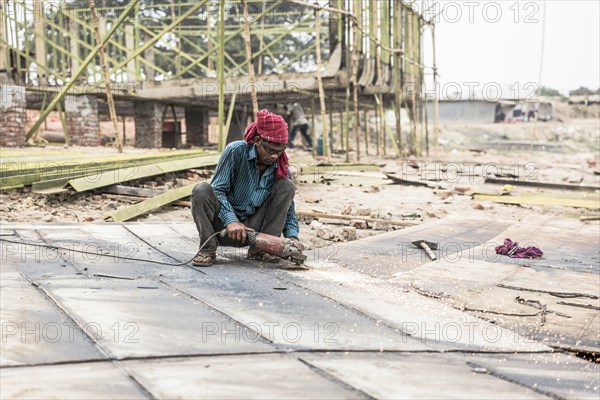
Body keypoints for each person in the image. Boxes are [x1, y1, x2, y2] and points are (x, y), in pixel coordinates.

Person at [190, 109, 303, 267]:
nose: (274, 156)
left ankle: (263, 249)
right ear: (257, 140)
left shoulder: (280, 166)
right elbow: (218, 190)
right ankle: (207, 249)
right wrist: (231, 220)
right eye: (270, 150)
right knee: (201, 190)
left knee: (287, 186)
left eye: (280, 151)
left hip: (255, 232)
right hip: (222, 227)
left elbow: (288, 208)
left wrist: (293, 237)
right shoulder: (235, 151)